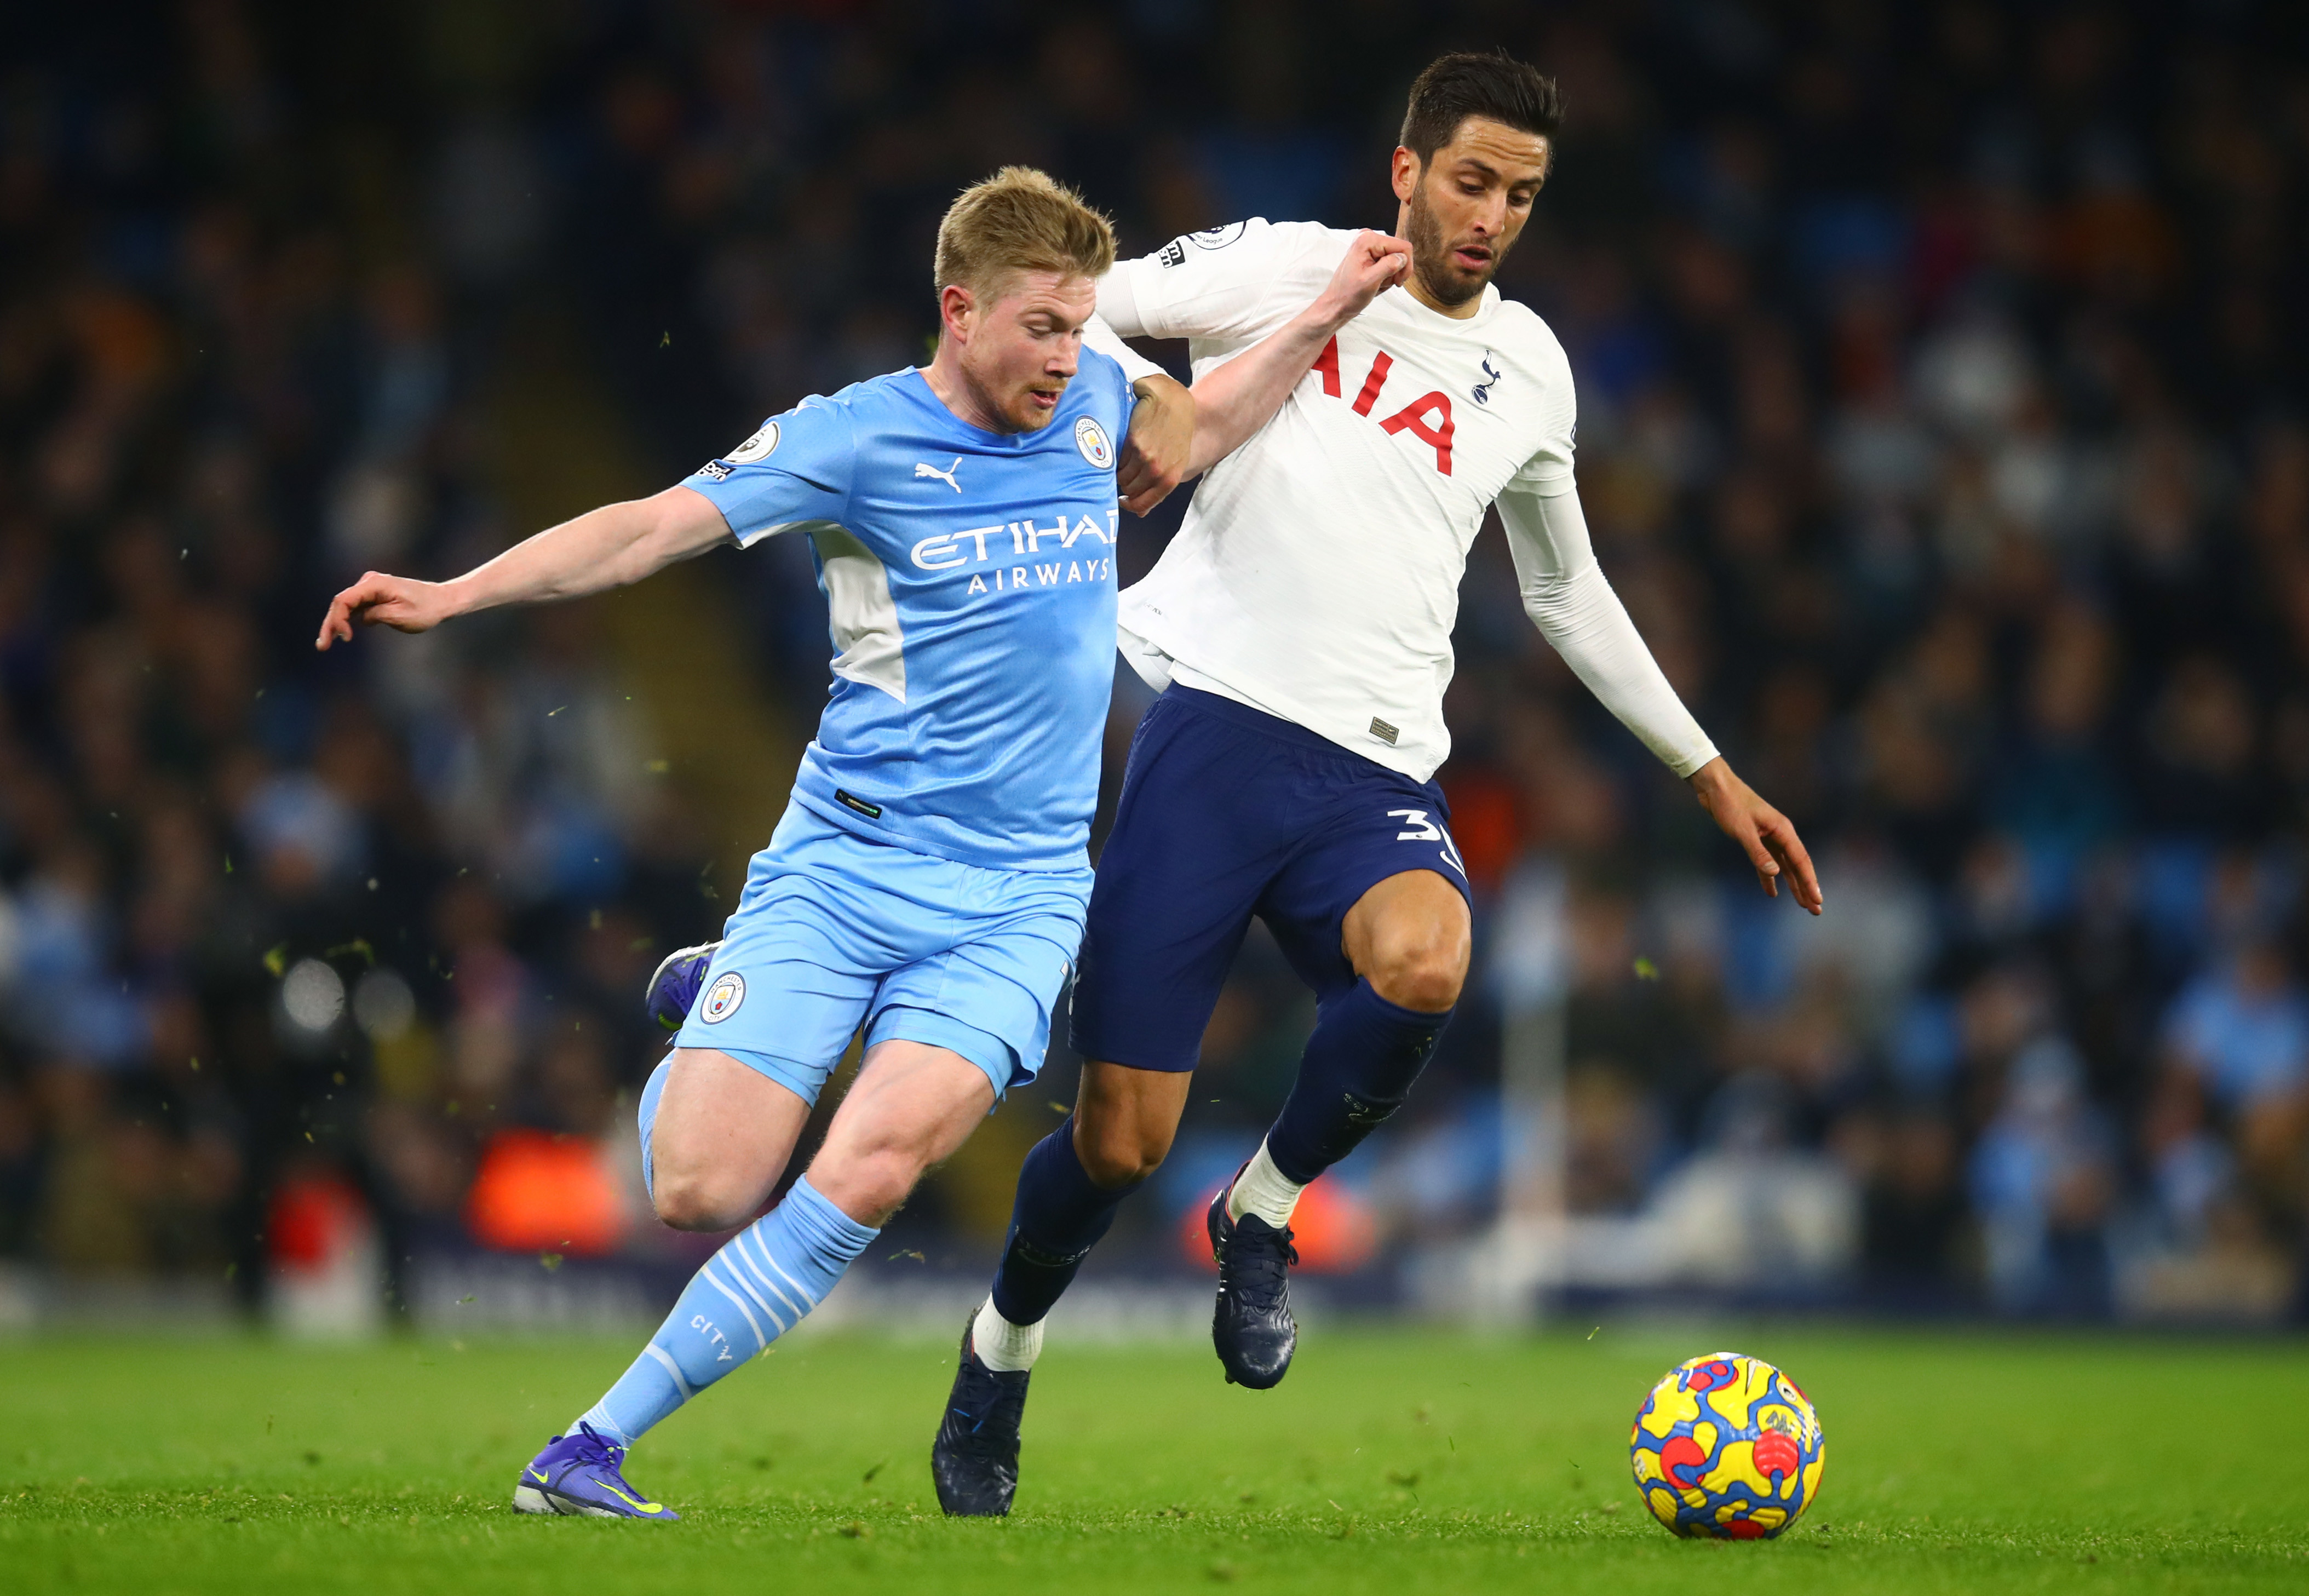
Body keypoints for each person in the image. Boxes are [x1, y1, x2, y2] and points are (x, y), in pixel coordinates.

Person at [316, 166, 1407, 1522]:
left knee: (877, 1161)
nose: (1070, 356)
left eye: (1081, 326)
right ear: (959, 310)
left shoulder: (1096, 402)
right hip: (845, 866)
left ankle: (587, 1448)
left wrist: (1325, 313)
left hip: (1016, 899)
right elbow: (653, 527)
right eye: (1041, 329)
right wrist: (457, 592)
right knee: (699, 1187)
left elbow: (1205, 428)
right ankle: (712, 990)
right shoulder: (850, 439)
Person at [923, 52, 1823, 1515]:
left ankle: (1263, 1214)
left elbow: (1566, 585)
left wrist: (1707, 770)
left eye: (1520, 195)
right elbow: (1072, 312)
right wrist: (1144, 390)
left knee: (1426, 958)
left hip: (1373, 770)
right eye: (1469, 180)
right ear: (1404, 169)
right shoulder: (1277, 268)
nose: (1490, 216)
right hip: (1209, 733)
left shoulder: (1528, 368)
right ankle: (998, 1356)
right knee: (1115, 1144)